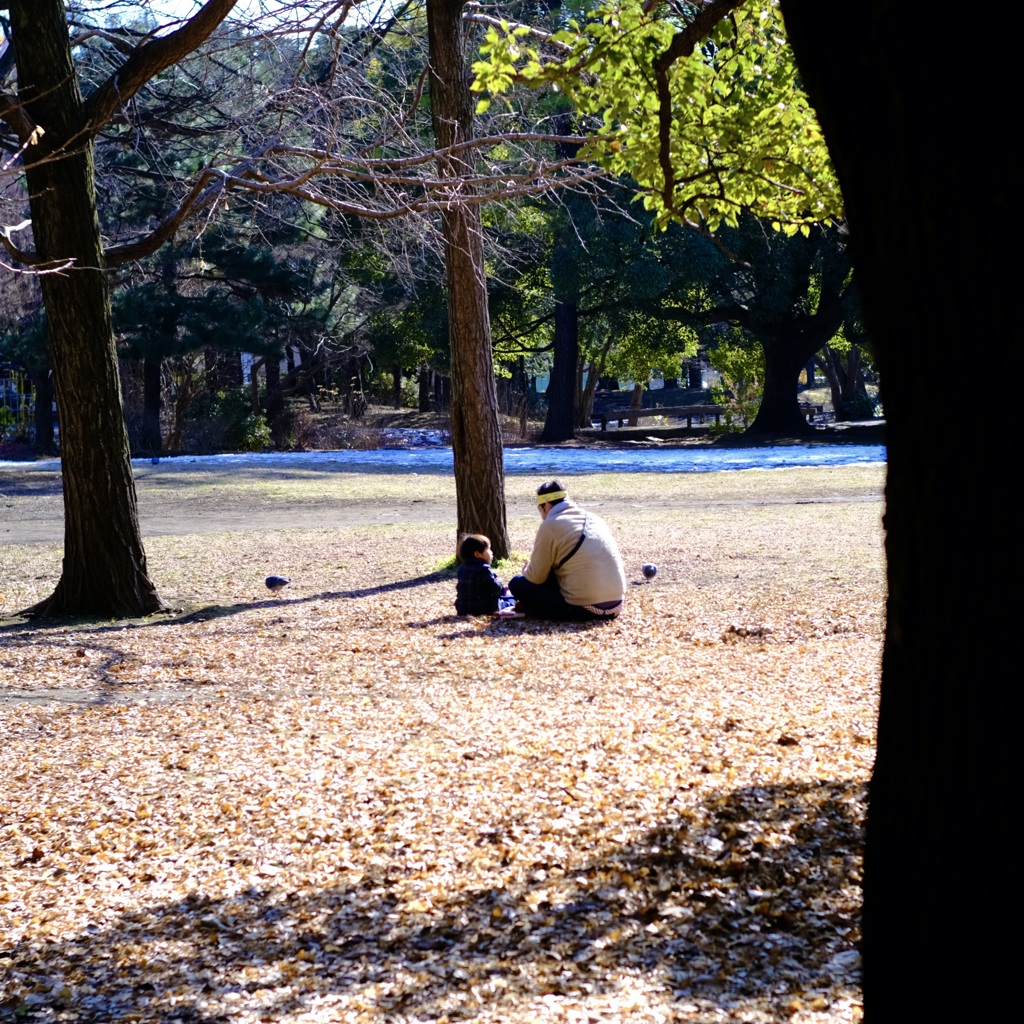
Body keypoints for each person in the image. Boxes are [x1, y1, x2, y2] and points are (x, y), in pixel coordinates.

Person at [508, 480, 626, 621]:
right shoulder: (595, 519)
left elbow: (535, 577)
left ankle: (536, 611)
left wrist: (526, 571)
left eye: (540, 509)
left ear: (546, 506)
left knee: (516, 583)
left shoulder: (551, 525)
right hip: (616, 607)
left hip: (583, 609)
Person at [454, 533, 516, 616]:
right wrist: (500, 585)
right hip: (484, 607)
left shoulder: (462, 567)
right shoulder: (483, 568)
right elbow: (496, 590)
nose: (491, 552)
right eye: (489, 549)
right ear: (477, 554)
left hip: (463, 608)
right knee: (511, 600)